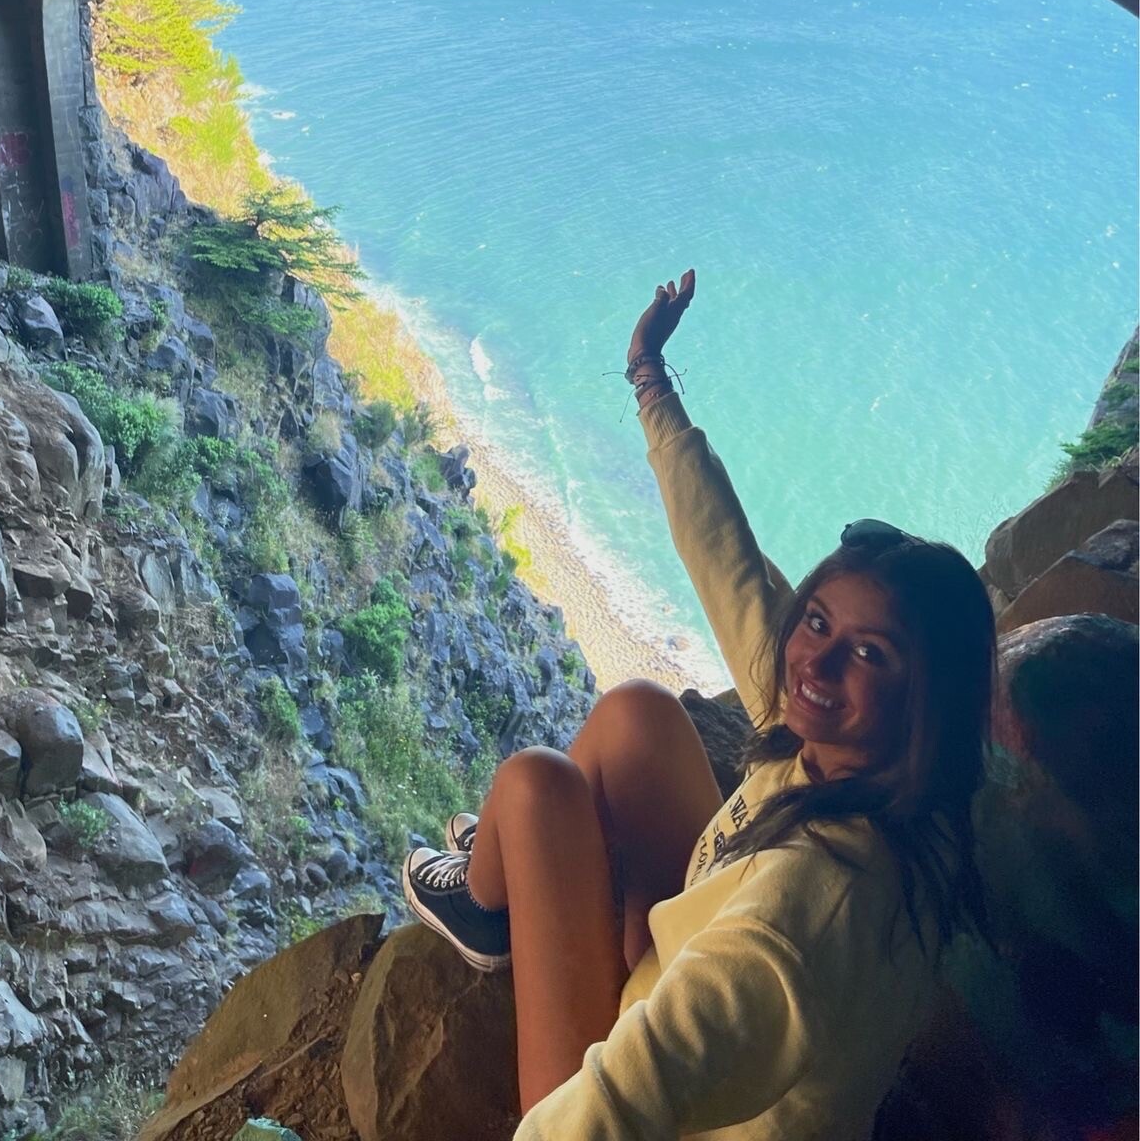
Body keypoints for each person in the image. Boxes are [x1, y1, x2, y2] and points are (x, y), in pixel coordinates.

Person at [402, 270, 996, 1140]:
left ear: (926, 697)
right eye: (818, 622)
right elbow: (733, 569)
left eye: (869, 652)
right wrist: (649, 376)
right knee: (637, 714)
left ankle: (483, 905)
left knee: (534, 786)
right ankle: (501, 867)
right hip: (686, 963)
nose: (818, 660)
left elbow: (610, 1109)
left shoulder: (811, 911)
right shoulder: (872, 765)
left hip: (648, 1098)